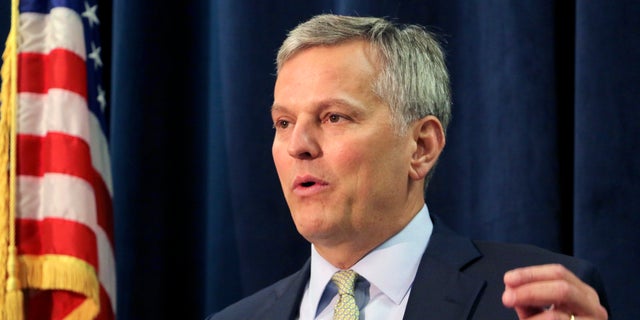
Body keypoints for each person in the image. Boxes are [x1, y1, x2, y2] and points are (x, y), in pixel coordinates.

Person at [207, 14, 609, 320]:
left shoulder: (540, 301)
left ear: (421, 146)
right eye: (284, 123)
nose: (298, 146)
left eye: (333, 117)